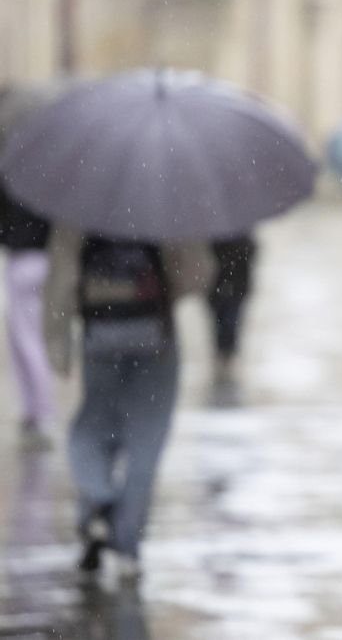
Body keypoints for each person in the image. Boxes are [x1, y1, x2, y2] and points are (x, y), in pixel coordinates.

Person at [44, 226, 214, 580]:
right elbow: (199, 273)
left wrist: (58, 343)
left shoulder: (79, 207)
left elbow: (60, 279)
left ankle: (98, 499)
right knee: (146, 443)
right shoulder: (167, 205)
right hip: (155, 334)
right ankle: (127, 546)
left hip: (100, 333)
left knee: (92, 426)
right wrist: (164, 287)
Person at [0, 180, 55, 449]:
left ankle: (39, 411)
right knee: (33, 338)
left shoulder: (14, 175)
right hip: (47, 259)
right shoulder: (52, 176)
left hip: (22, 260)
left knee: (26, 341)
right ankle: (36, 411)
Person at [207, 234, 256, 377]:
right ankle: (225, 352)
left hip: (231, 286)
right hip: (225, 285)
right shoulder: (239, 236)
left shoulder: (232, 236)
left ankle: (226, 353)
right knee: (225, 319)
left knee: (228, 319)